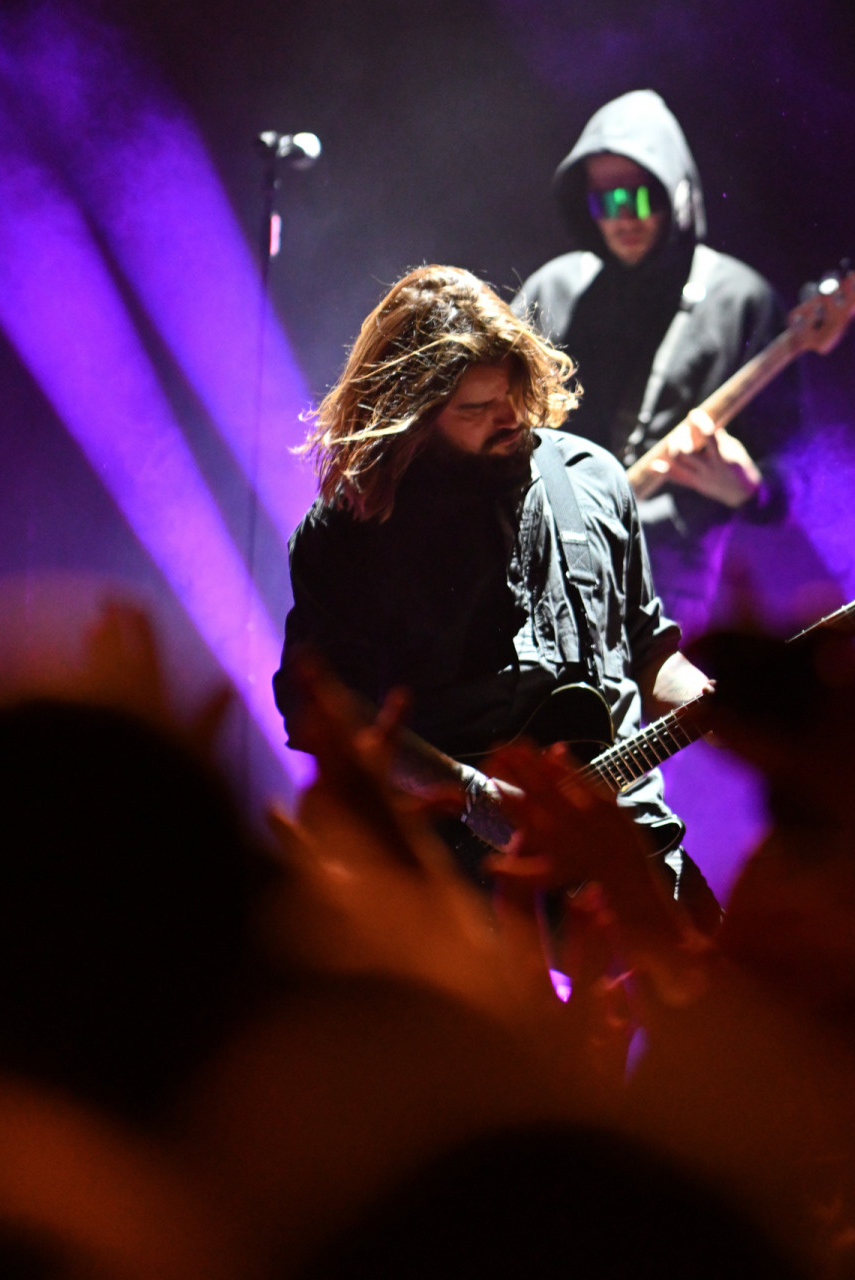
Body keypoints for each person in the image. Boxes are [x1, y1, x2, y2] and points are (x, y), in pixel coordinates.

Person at [273, 265, 715, 904]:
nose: (509, 417)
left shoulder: (595, 480)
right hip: (449, 879)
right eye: (475, 409)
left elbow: (648, 650)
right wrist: (471, 795)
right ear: (413, 418)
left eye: (511, 392)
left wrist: (701, 694)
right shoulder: (350, 532)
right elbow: (324, 709)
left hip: (624, 846)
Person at [515, 89, 800, 639]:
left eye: (641, 198)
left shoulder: (739, 300)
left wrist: (752, 489)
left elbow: (800, 468)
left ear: (679, 194)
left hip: (668, 597)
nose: (624, 219)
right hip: (545, 583)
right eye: (604, 202)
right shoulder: (551, 290)